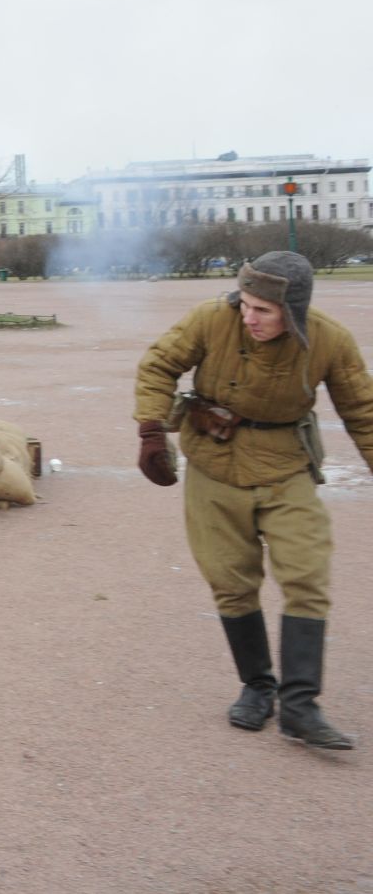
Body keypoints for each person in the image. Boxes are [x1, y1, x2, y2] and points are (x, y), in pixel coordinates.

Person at [133, 251, 373, 751]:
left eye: (264, 310)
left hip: (286, 468)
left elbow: (363, 411)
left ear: (295, 311)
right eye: (245, 304)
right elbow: (158, 365)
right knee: (230, 581)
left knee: (307, 576)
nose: (249, 317)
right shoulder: (210, 318)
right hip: (214, 467)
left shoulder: (329, 340)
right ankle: (258, 686)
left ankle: (301, 706)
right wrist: (151, 432)